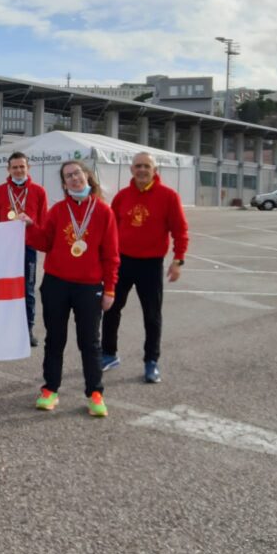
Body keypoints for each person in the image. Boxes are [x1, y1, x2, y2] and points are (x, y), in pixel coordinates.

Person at [26, 160, 118, 417]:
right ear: (65, 184)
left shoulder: (103, 211)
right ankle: (50, 389)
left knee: (90, 343)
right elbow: (45, 242)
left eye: (77, 173)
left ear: (86, 176)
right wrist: (29, 227)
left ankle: (95, 393)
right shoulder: (58, 210)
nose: (74, 179)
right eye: (68, 176)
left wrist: (109, 289)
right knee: (55, 340)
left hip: (89, 287)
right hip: (56, 283)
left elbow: (111, 254)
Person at [101, 152, 189, 384]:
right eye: (138, 166)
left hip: (151, 264)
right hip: (122, 262)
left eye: (146, 166)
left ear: (154, 169)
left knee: (152, 315)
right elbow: (109, 231)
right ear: (131, 170)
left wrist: (178, 260)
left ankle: (151, 361)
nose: (142, 170)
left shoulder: (168, 196)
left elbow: (180, 230)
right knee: (110, 308)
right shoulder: (122, 197)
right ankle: (109, 354)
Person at [0, 152, 48, 347]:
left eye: (22, 167)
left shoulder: (39, 191)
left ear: (28, 168)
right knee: (5, 288)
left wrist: (32, 224)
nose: (18, 170)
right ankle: (5, 328)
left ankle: (28, 328)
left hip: (28, 247)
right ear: (8, 169)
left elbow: (43, 223)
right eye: (14, 167)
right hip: (6, 249)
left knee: (28, 290)